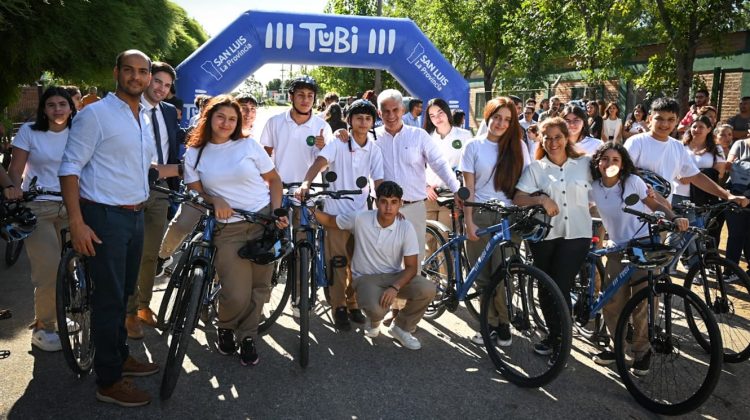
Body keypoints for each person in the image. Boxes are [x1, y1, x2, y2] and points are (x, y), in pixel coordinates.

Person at [58, 49, 178, 407]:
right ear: (117, 72)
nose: (137, 77)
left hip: (135, 215)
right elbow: (69, 169)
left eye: (143, 72)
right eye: (130, 71)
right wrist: (77, 222)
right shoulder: (95, 115)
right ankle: (108, 380)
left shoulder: (141, 116)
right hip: (104, 217)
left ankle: (119, 356)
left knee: (124, 293)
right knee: (109, 299)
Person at [183, 94, 287, 365]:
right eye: (221, 117)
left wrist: (277, 213)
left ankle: (248, 336)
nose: (226, 123)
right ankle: (226, 326)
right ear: (209, 118)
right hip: (228, 230)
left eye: (232, 118)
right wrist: (213, 199)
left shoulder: (248, 146)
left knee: (259, 288)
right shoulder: (195, 152)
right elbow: (194, 189)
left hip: (263, 223)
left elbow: (274, 180)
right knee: (236, 293)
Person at [587, 142, 688, 371]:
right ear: (597, 163)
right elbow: (582, 205)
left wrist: (673, 218)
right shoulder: (593, 186)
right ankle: (617, 348)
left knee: (642, 302)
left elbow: (654, 203)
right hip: (617, 249)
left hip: (644, 247)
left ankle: (641, 352)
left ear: (623, 165)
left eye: (615, 160)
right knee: (613, 303)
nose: (610, 163)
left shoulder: (632, 181)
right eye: (605, 159)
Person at [312, 181, 436, 350]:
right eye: (384, 201)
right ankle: (374, 319)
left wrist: (395, 287)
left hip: (393, 276)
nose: (388, 207)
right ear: (377, 202)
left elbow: (411, 267)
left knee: (427, 288)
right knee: (377, 310)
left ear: (400, 204)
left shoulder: (405, 227)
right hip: (365, 278)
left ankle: (401, 328)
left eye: (393, 202)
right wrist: (307, 207)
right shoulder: (361, 218)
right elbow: (330, 220)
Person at [296, 99, 384, 330]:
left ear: (373, 121)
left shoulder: (374, 148)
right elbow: (320, 162)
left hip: (362, 215)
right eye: (358, 118)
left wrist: (386, 202)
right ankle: (339, 306)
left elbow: (379, 179)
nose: (363, 123)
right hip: (335, 214)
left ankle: (353, 302)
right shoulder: (338, 142)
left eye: (368, 118)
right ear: (350, 120)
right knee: (338, 262)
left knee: (358, 263)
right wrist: (306, 183)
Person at [514, 117, 593, 364]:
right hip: (546, 236)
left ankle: (561, 342)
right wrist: (540, 200)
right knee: (547, 287)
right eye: (547, 137)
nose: (552, 142)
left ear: (567, 137)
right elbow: (518, 198)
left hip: (577, 235)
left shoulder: (585, 164)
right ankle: (554, 335)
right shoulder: (536, 168)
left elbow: (610, 182)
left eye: (557, 136)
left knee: (561, 286)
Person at [7, 86, 75, 351]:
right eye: (51, 105)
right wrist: (13, 191)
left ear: (71, 107)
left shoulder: (80, 132)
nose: (57, 109)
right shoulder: (29, 131)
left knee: (71, 267)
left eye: (62, 104)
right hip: (39, 207)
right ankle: (43, 326)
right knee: (49, 269)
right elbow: (15, 169)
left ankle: (59, 316)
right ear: (43, 109)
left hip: (73, 207)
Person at [459, 97, 529, 345]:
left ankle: (504, 323)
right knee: (482, 275)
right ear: (488, 116)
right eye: (497, 117)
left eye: (507, 120)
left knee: (504, 274)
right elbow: (469, 188)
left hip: (509, 217)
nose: (501, 123)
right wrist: (469, 221)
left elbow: (526, 183)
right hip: (479, 213)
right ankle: (489, 324)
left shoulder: (519, 147)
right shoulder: (473, 146)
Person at [125, 61, 185, 339]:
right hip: (128, 189)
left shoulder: (170, 112)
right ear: (147, 79)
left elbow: (174, 148)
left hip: (161, 191)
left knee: (150, 254)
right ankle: (126, 314)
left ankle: (143, 306)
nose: (161, 88)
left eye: (167, 85)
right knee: (128, 254)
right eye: (157, 81)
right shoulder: (127, 109)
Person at [623, 98, 748, 207]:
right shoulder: (636, 142)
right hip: (633, 211)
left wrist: (728, 196)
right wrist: (659, 200)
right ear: (650, 119)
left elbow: (696, 176)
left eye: (671, 119)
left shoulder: (677, 146)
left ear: (677, 121)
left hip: (661, 215)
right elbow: (626, 175)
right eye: (659, 119)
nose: (665, 124)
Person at [424, 98, 473, 229]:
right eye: (432, 115)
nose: (437, 118)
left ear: (447, 112)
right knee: (427, 242)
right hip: (429, 195)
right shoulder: (426, 138)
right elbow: (417, 166)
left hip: (452, 196)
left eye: (440, 113)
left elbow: (471, 166)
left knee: (445, 240)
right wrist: (426, 187)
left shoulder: (465, 136)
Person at [674, 115, 725, 208]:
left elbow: (719, 173)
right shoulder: (680, 146)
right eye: (694, 127)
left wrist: (692, 175)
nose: (697, 129)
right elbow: (674, 168)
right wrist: (680, 174)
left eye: (701, 127)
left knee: (697, 222)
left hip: (703, 196)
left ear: (709, 129)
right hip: (678, 193)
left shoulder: (717, 149)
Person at [724, 135, 750, 278]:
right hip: (736, 195)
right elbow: (728, 164)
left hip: (742, 194)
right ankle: (730, 270)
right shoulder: (740, 144)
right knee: (735, 235)